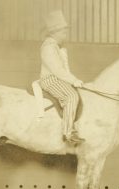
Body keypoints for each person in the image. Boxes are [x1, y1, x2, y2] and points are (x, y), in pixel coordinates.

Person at [40, 10, 85, 145]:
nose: (65, 35)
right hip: (50, 79)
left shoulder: (57, 47)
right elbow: (57, 70)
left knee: (76, 93)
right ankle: (68, 133)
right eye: (63, 32)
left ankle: (73, 126)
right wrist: (73, 81)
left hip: (58, 79)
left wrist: (73, 81)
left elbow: (65, 70)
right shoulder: (48, 47)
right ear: (55, 33)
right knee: (71, 96)